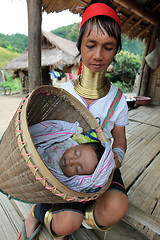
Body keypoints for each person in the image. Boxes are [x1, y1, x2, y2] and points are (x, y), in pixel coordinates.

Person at [17, 0, 128, 239]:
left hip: (101, 165)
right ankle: (40, 210)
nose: (98, 55)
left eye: (108, 47)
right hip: (65, 166)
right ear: (80, 44)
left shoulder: (117, 99)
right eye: (90, 45)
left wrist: (115, 160)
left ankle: (84, 208)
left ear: (116, 50)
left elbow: (119, 136)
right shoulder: (63, 93)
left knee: (116, 208)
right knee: (66, 224)